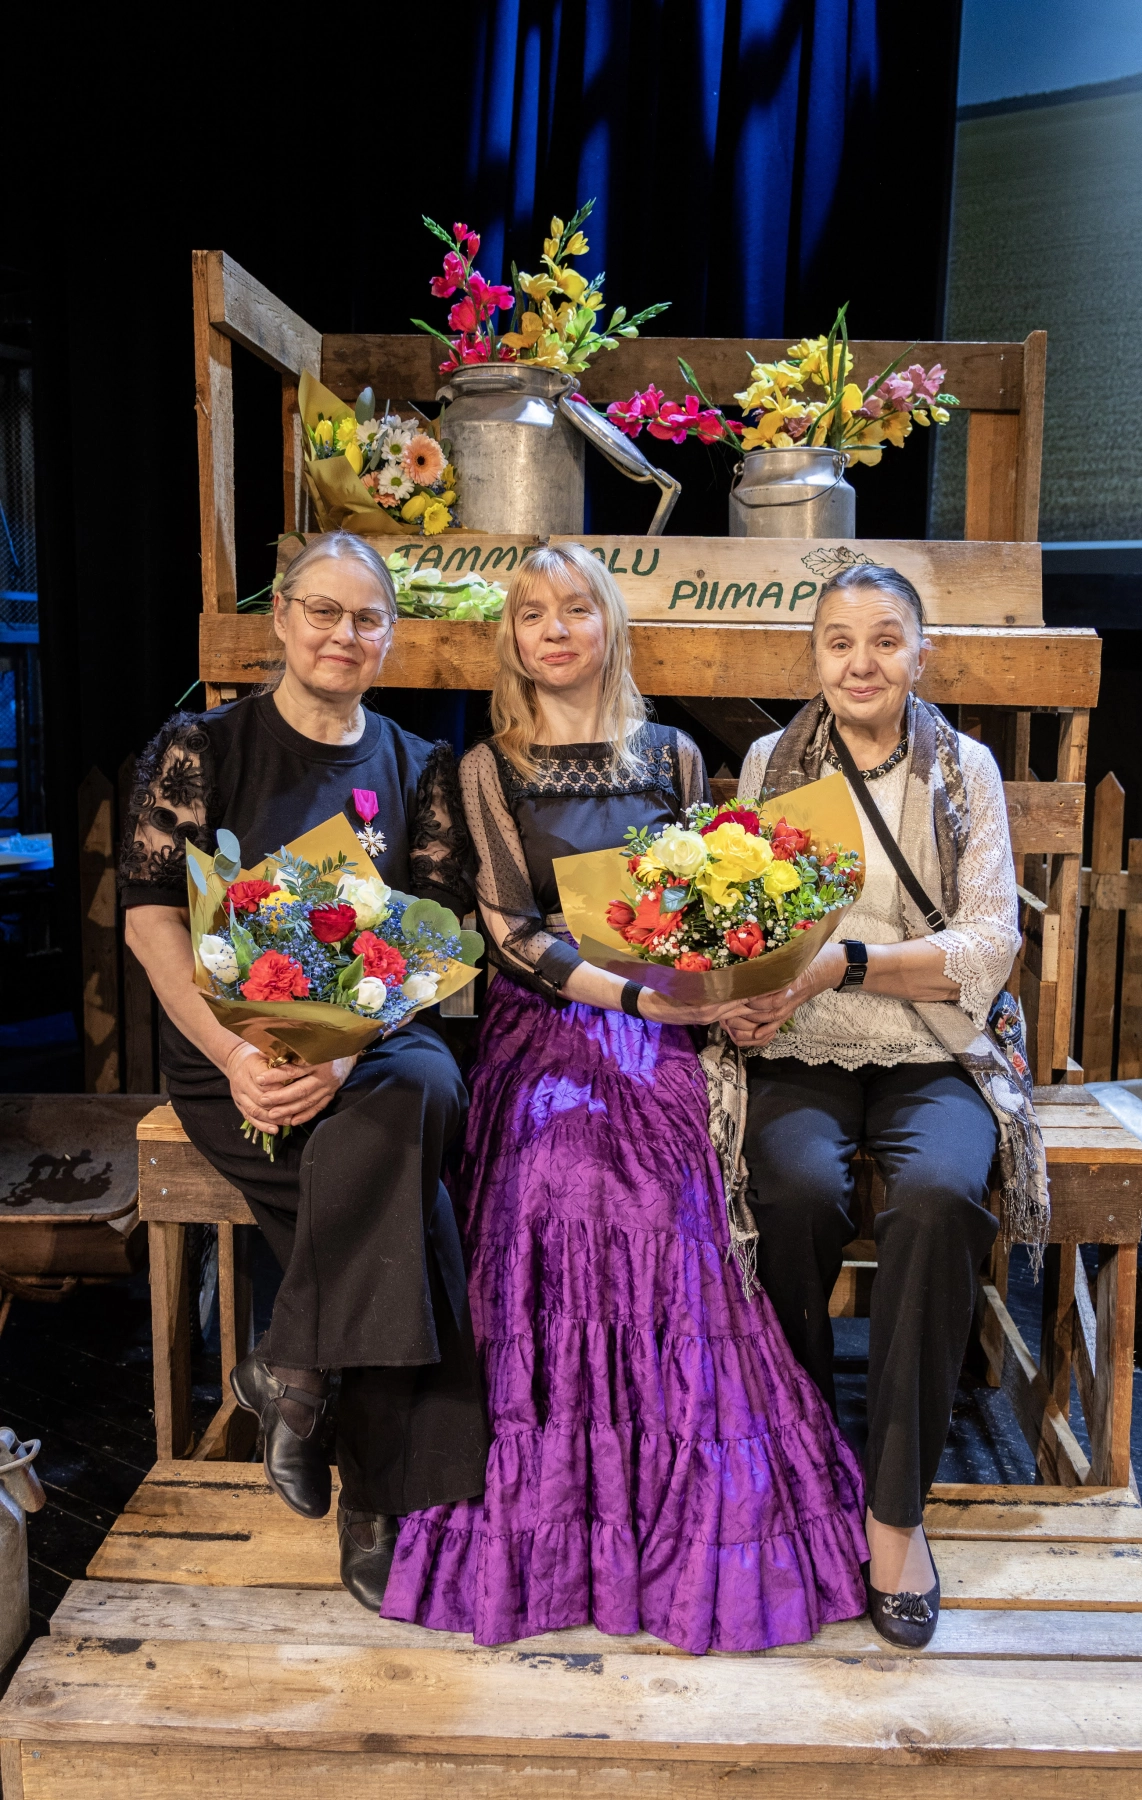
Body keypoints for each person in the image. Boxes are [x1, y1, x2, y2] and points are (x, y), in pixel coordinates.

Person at [379, 543, 869, 1654]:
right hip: (555, 1016)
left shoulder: (675, 756)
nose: (555, 630)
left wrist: (700, 989)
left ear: (609, 626)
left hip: (669, 1010)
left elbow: (699, 901)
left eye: (575, 610)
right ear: (512, 641)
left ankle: (669, 1493)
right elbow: (513, 933)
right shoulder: (486, 769)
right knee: (555, 1169)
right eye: (532, 614)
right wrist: (633, 1000)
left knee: (665, 1189)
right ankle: (559, 1504)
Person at [119, 530, 488, 1611]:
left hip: (373, 1038)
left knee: (425, 1086)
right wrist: (238, 1053)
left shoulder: (418, 765)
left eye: (367, 618)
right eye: (322, 611)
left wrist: (343, 1053)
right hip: (232, 1052)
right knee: (411, 1201)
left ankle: (293, 1363)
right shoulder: (203, 747)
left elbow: (433, 939)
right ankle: (374, 1492)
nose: (343, 634)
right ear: (280, 619)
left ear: (391, 637)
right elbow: (150, 921)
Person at [723, 563, 1046, 1648]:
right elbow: (738, 917)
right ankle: (802, 1460)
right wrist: (740, 992)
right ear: (814, 655)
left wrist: (848, 962)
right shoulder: (769, 763)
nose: (861, 663)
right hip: (802, 1040)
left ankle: (895, 1510)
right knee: (792, 1191)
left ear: (919, 653)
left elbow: (989, 944)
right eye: (839, 641)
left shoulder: (963, 768)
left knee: (941, 1197)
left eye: (885, 640)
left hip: (931, 1045)